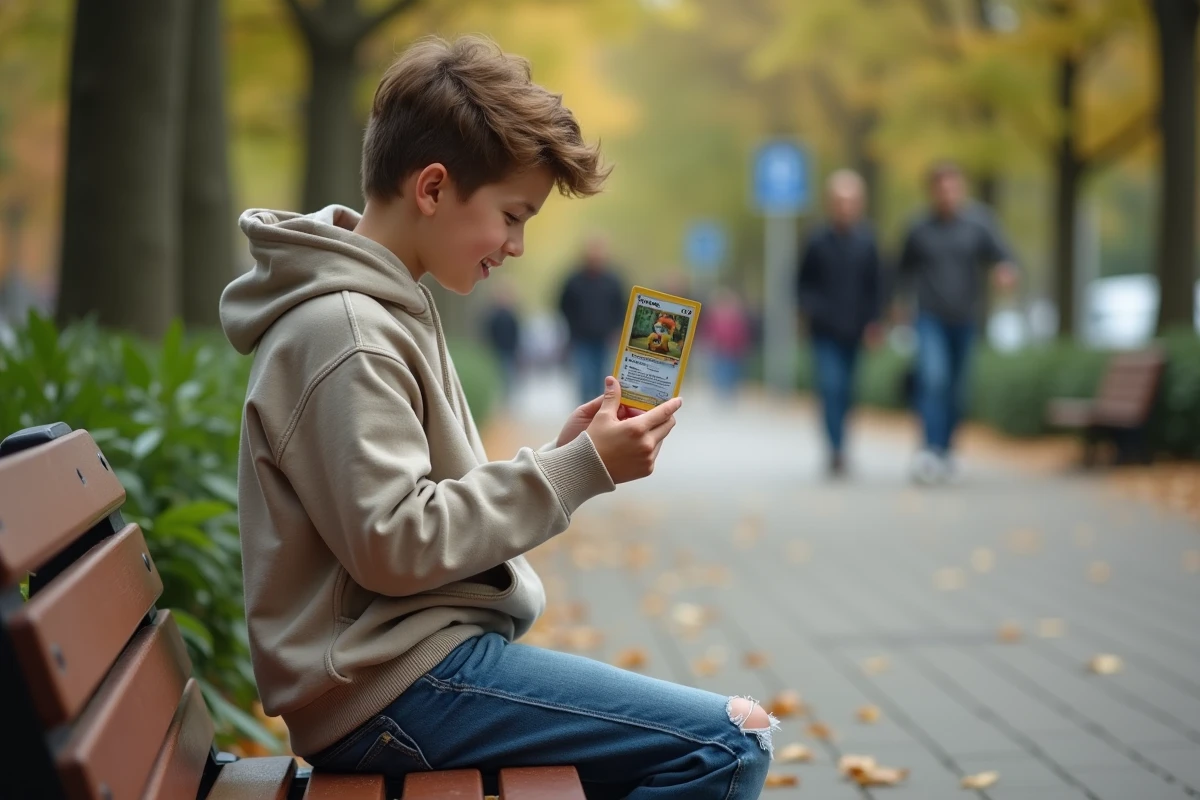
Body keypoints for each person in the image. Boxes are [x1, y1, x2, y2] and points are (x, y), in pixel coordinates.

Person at [218, 35, 774, 798]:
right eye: (513, 215)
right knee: (728, 744)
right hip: (388, 688)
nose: (516, 245)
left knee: (715, 739)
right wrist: (577, 471)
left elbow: (400, 511)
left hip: (408, 670)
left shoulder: (383, 305)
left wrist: (560, 452)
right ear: (434, 187)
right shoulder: (346, 332)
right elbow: (394, 540)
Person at [896, 160, 1018, 484]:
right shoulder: (918, 228)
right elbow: (901, 270)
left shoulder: (979, 223)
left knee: (957, 390)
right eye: (941, 188)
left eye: (953, 187)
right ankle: (929, 450)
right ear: (932, 192)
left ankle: (947, 449)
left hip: (966, 318)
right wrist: (896, 303)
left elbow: (1004, 254)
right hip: (929, 317)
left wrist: (1005, 269)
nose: (948, 194)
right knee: (933, 379)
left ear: (961, 188)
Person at [796, 170, 883, 476]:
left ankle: (842, 442)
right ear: (831, 203)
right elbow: (801, 282)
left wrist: (875, 322)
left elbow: (877, 286)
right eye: (840, 201)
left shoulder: (868, 241)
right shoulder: (816, 240)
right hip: (825, 331)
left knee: (848, 391)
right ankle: (835, 449)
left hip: (856, 330)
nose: (846, 207)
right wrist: (809, 310)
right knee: (830, 387)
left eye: (851, 201)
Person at [558, 235, 627, 404]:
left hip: (605, 338)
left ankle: (600, 410)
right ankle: (585, 410)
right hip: (581, 339)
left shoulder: (613, 281)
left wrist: (617, 329)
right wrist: (572, 328)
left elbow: (622, 307)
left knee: (604, 377)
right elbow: (563, 305)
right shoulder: (574, 280)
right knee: (585, 376)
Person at [703, 287, 752, 401]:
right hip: (719, 348)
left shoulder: (737, 316)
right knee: (720, 370)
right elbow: (709, 330)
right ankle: (721, 393)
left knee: (731, 371)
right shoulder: (715, 315)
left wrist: (742, 345)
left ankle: (728, 393)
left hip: (733, 349)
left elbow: (742, 332)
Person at [483, 285, 522, 406]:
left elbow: (516, 333)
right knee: (498, 375)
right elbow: (488, 332)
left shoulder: (512, 316)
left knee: (508, 375)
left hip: (509, 350)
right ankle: (498, 399)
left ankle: (507, 399)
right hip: (496, 350)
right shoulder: (493, 315)